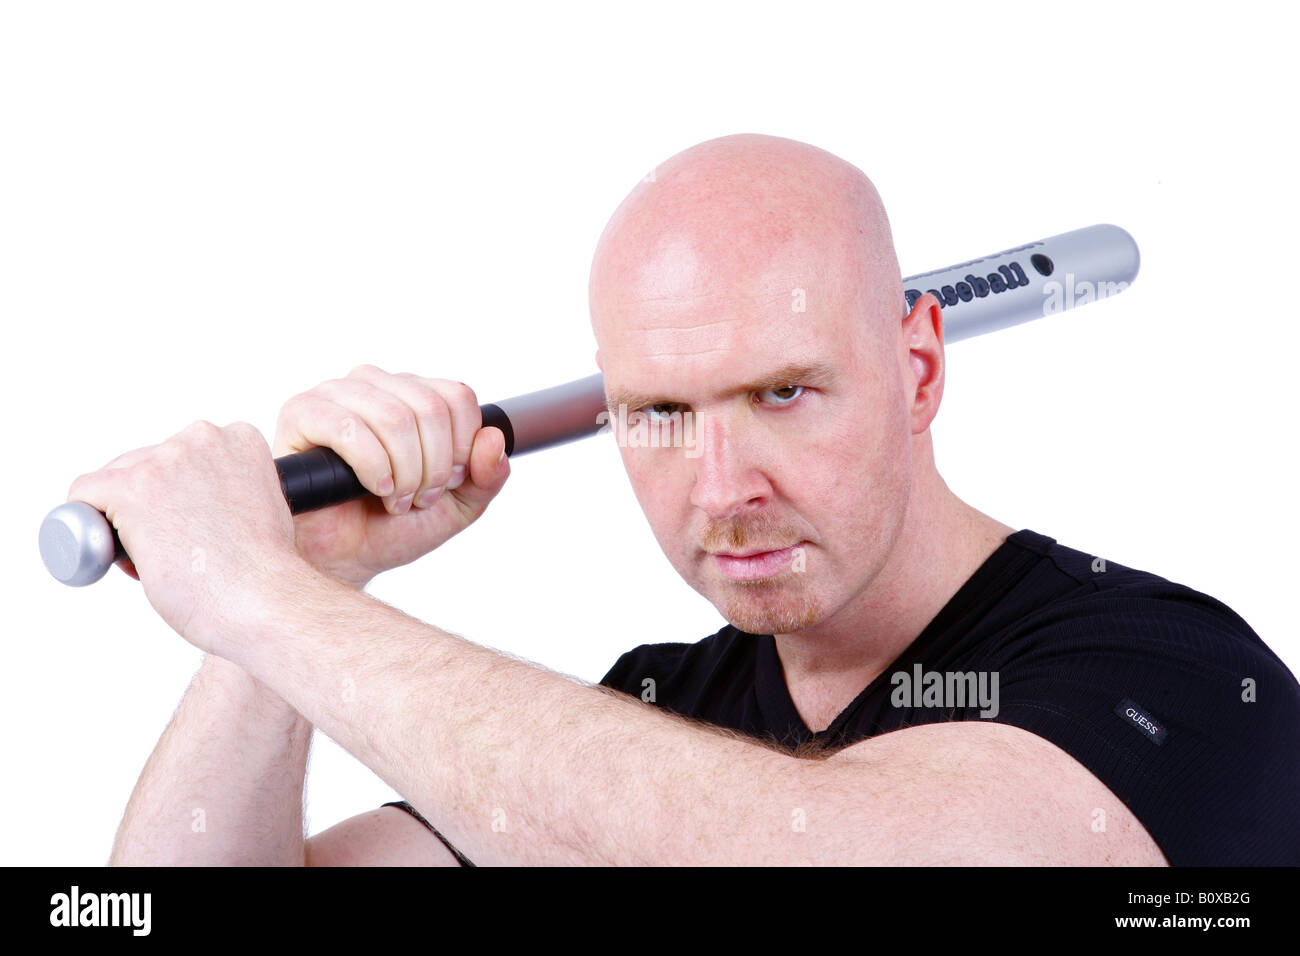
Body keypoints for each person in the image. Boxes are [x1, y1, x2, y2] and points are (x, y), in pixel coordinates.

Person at [77, 134, 1299, 867]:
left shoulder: (1172, 680)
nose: (723, 489)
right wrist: (297, 587)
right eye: (661, 412)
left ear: (917, 369)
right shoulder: (663, 706)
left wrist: (256, 597)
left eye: (783, 391)